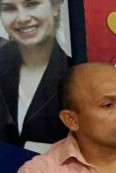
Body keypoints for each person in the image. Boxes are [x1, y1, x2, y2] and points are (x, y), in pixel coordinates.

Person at [0, 0, 69, 147]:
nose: (22, 18)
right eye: (9, 8)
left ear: (55, 7)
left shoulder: (76, 73)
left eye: (31, 4)